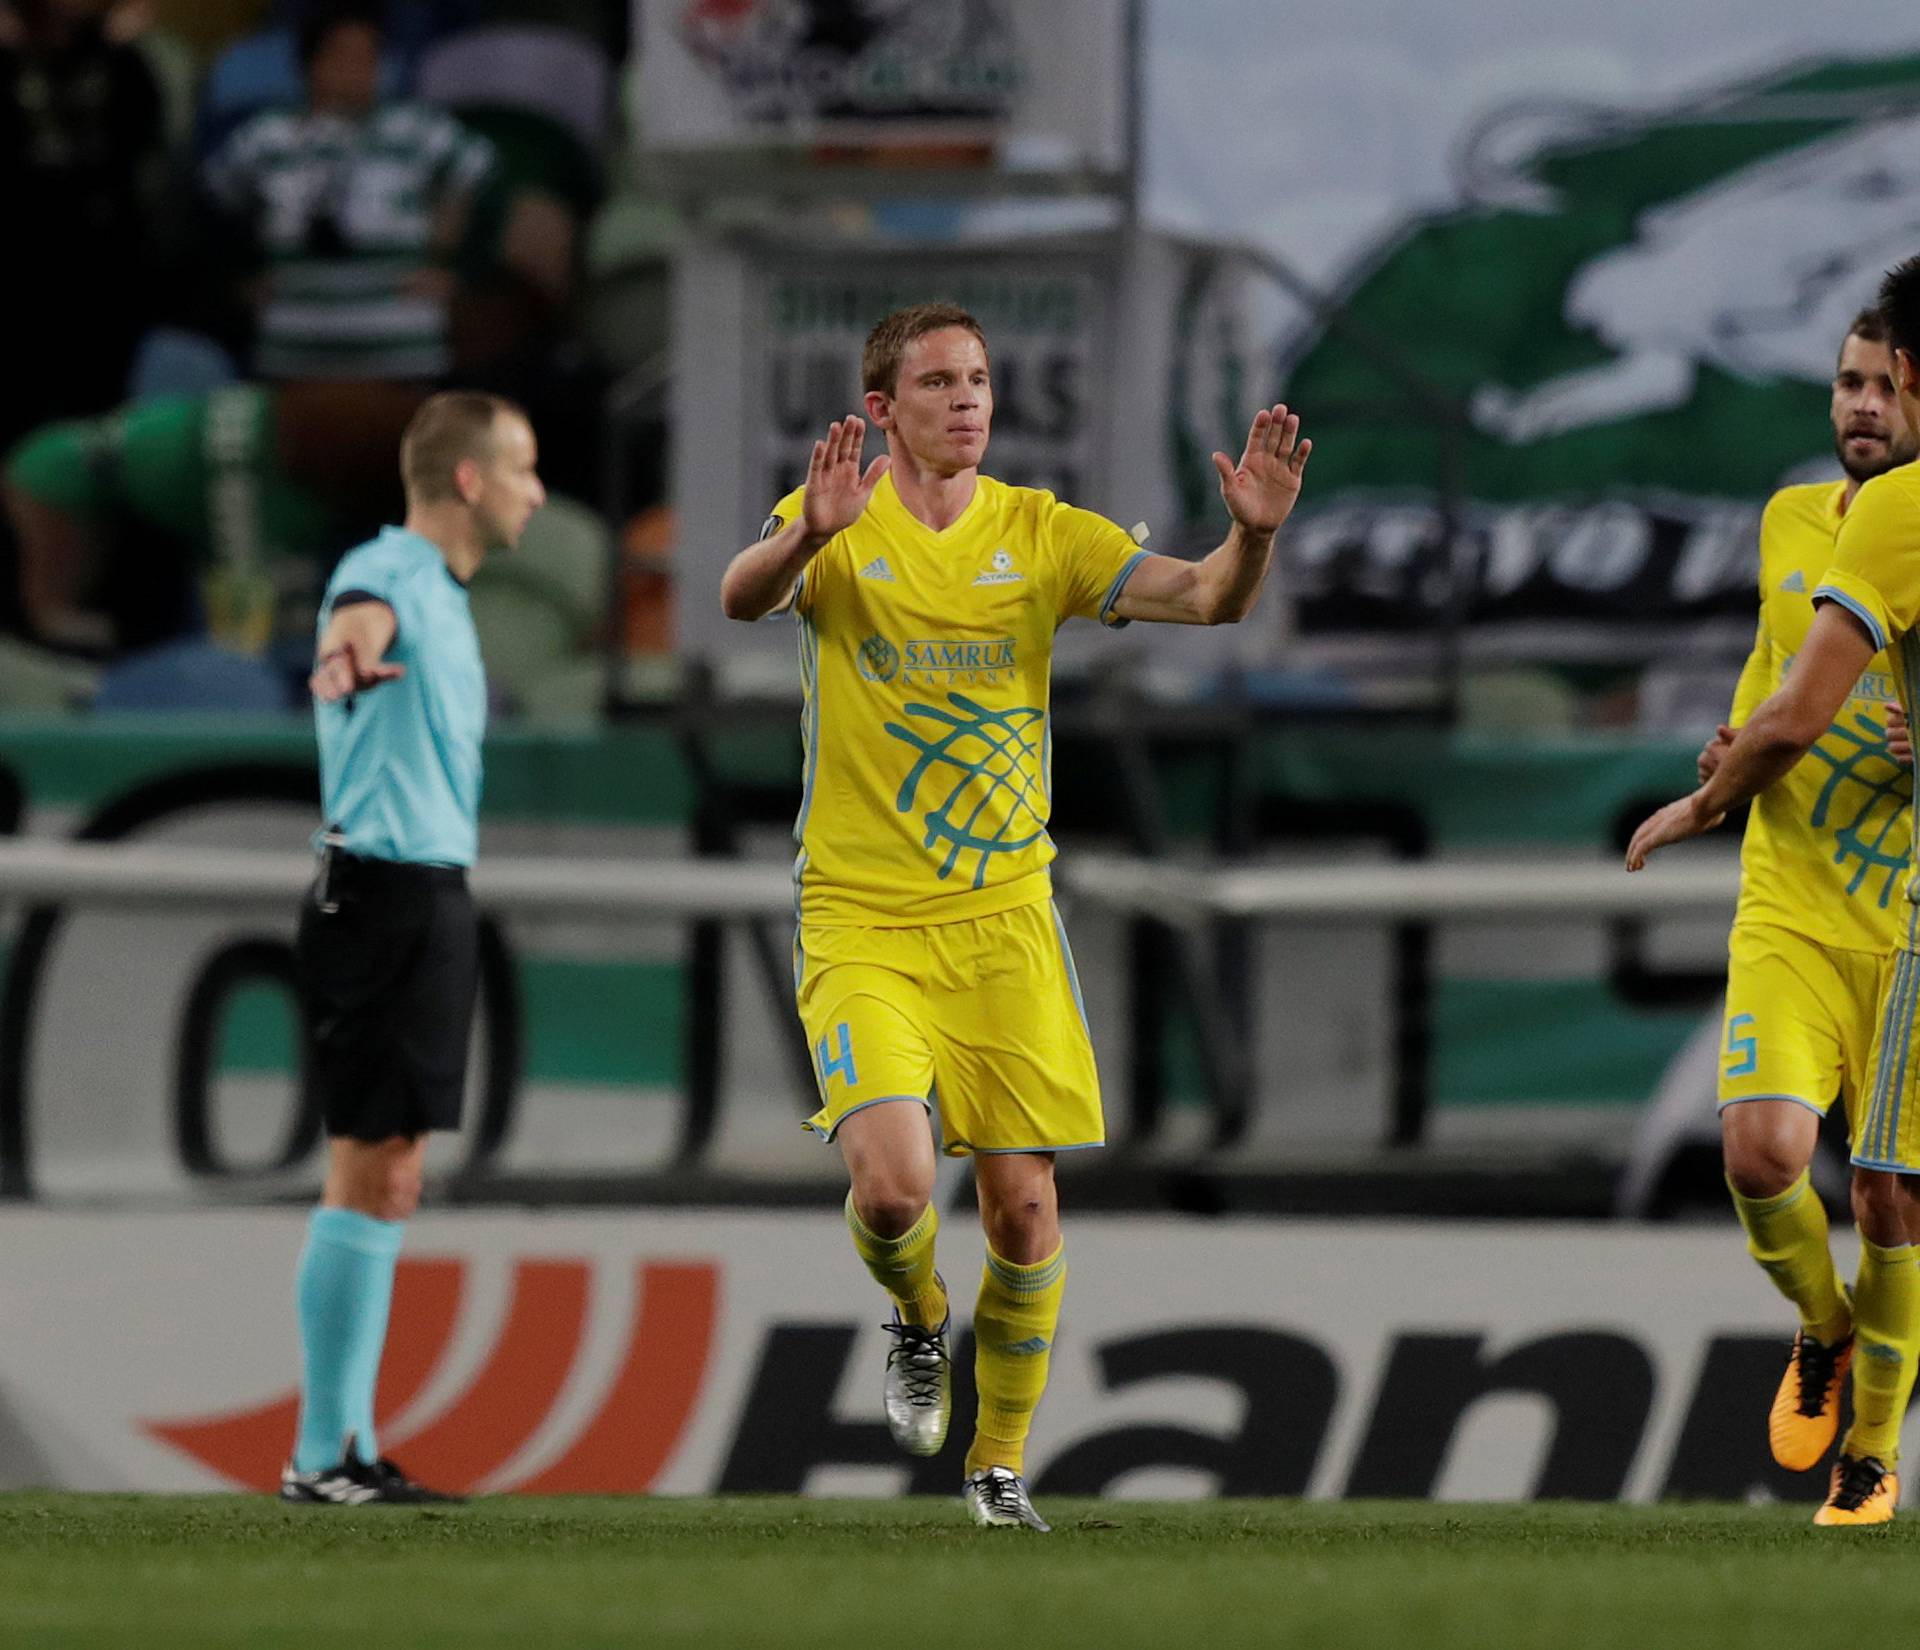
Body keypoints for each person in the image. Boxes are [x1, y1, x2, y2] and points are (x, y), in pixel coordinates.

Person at [719, 301, 1311, 1530]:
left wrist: (1248, 540)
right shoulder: (834, 516)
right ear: (882, 411)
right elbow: (737, 597)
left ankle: (996, 1469)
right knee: (890, 1190)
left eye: (979, 380)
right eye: (938, 383)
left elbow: (1208, 600)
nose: (969, 401)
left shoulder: (1040, 533)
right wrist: (799, 544)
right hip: (861, 918)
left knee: (1025, 1210)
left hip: (1003, 922)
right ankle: (923, 1319)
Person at [1629, 256, 1920, 1527]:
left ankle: (1868, 1459)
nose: (1860, 405)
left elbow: (1805, 708)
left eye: (1880, 384)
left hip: (1906, 914)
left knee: (1885, 1195)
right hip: (1795, 891)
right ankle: (1822, 1326)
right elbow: (1778, 688)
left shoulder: (1906, 517)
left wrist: (1713, 792)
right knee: (1761, 1151)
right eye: (1845, 383)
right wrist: (1733, 749)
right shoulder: (1794, 520)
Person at [281, 390, 544, 1504]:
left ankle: (344, 1447)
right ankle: (319, 1455)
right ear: (471, 481)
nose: (538, 490)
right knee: (367, 1167)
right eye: (523, 468)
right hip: (381, 895)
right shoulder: (388, 568)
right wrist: (342, 663)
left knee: (393, 1174)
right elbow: (351, 625)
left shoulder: (441, 590)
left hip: (425, 895)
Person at [200, 1, 491, 382]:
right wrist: (243, 280)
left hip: (399, 349)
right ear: (309, 63)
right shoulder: (267, 137)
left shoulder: (415, 130)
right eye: (343, 55)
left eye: (369, 57)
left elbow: (475, 176)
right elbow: (214, 206)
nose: (357, 71)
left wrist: (445, 261)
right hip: (294, 350)